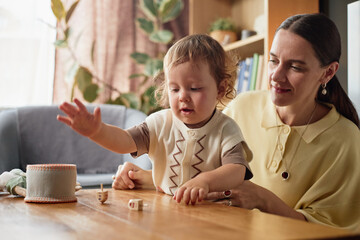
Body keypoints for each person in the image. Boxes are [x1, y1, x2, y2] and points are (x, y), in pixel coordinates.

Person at [112, 13, 360, 231]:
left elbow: (330, 230)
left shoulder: (346, 141)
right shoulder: (243, 105)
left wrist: (263, 199)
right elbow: (202, 175)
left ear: (328, 72)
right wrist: (144, 177)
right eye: (273, 60)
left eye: (295, 66)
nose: (276, 75)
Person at [57, 34, 253, 205]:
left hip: (216, 212)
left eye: (194, 88)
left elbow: (236, 170)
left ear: (220, 89)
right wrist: (97, 132)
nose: (182, 96)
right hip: (168, 206)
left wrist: (205, 181)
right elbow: (125, 141)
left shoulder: (226, 129)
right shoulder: (160, 123)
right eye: (174, 89)